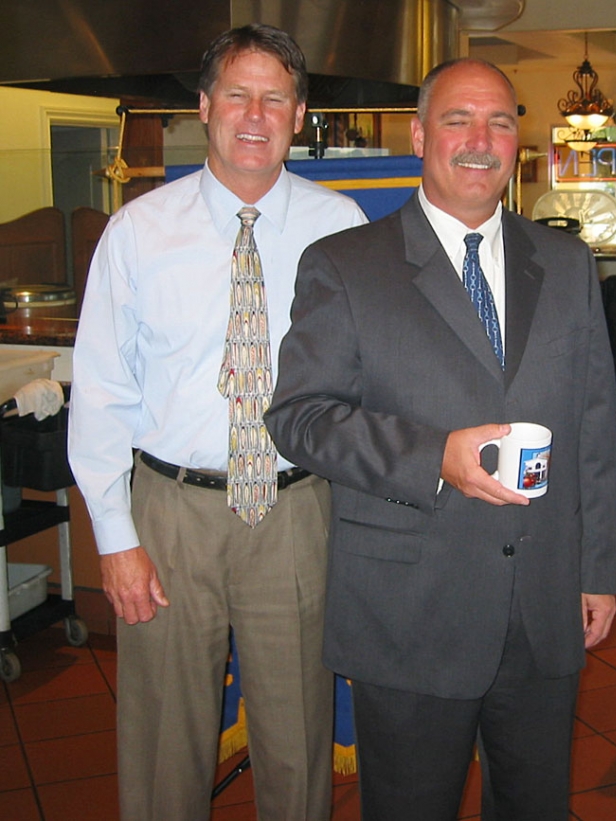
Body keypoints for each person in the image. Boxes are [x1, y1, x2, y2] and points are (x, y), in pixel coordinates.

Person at [265, 58, 616, 821]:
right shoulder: (347, 265)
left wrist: (597, 569)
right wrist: (435, 457)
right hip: (411, 608)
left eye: (498, 121)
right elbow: (299, 416)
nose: (479, 139)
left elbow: (595, 423)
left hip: (543, 602)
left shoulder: (565, 264)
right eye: (458, 119)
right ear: (421, 134)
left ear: (518, 141)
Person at [67, 24, 366, 821]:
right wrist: (115, 538)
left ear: (300, 114)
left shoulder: (342, 232)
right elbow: (98, 391)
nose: (255, 114)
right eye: (237, 94)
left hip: (298, 511)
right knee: (165, 741)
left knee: (298, 740)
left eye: (276, 97)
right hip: (170, 518)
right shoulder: (137, 232)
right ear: (204, 107)